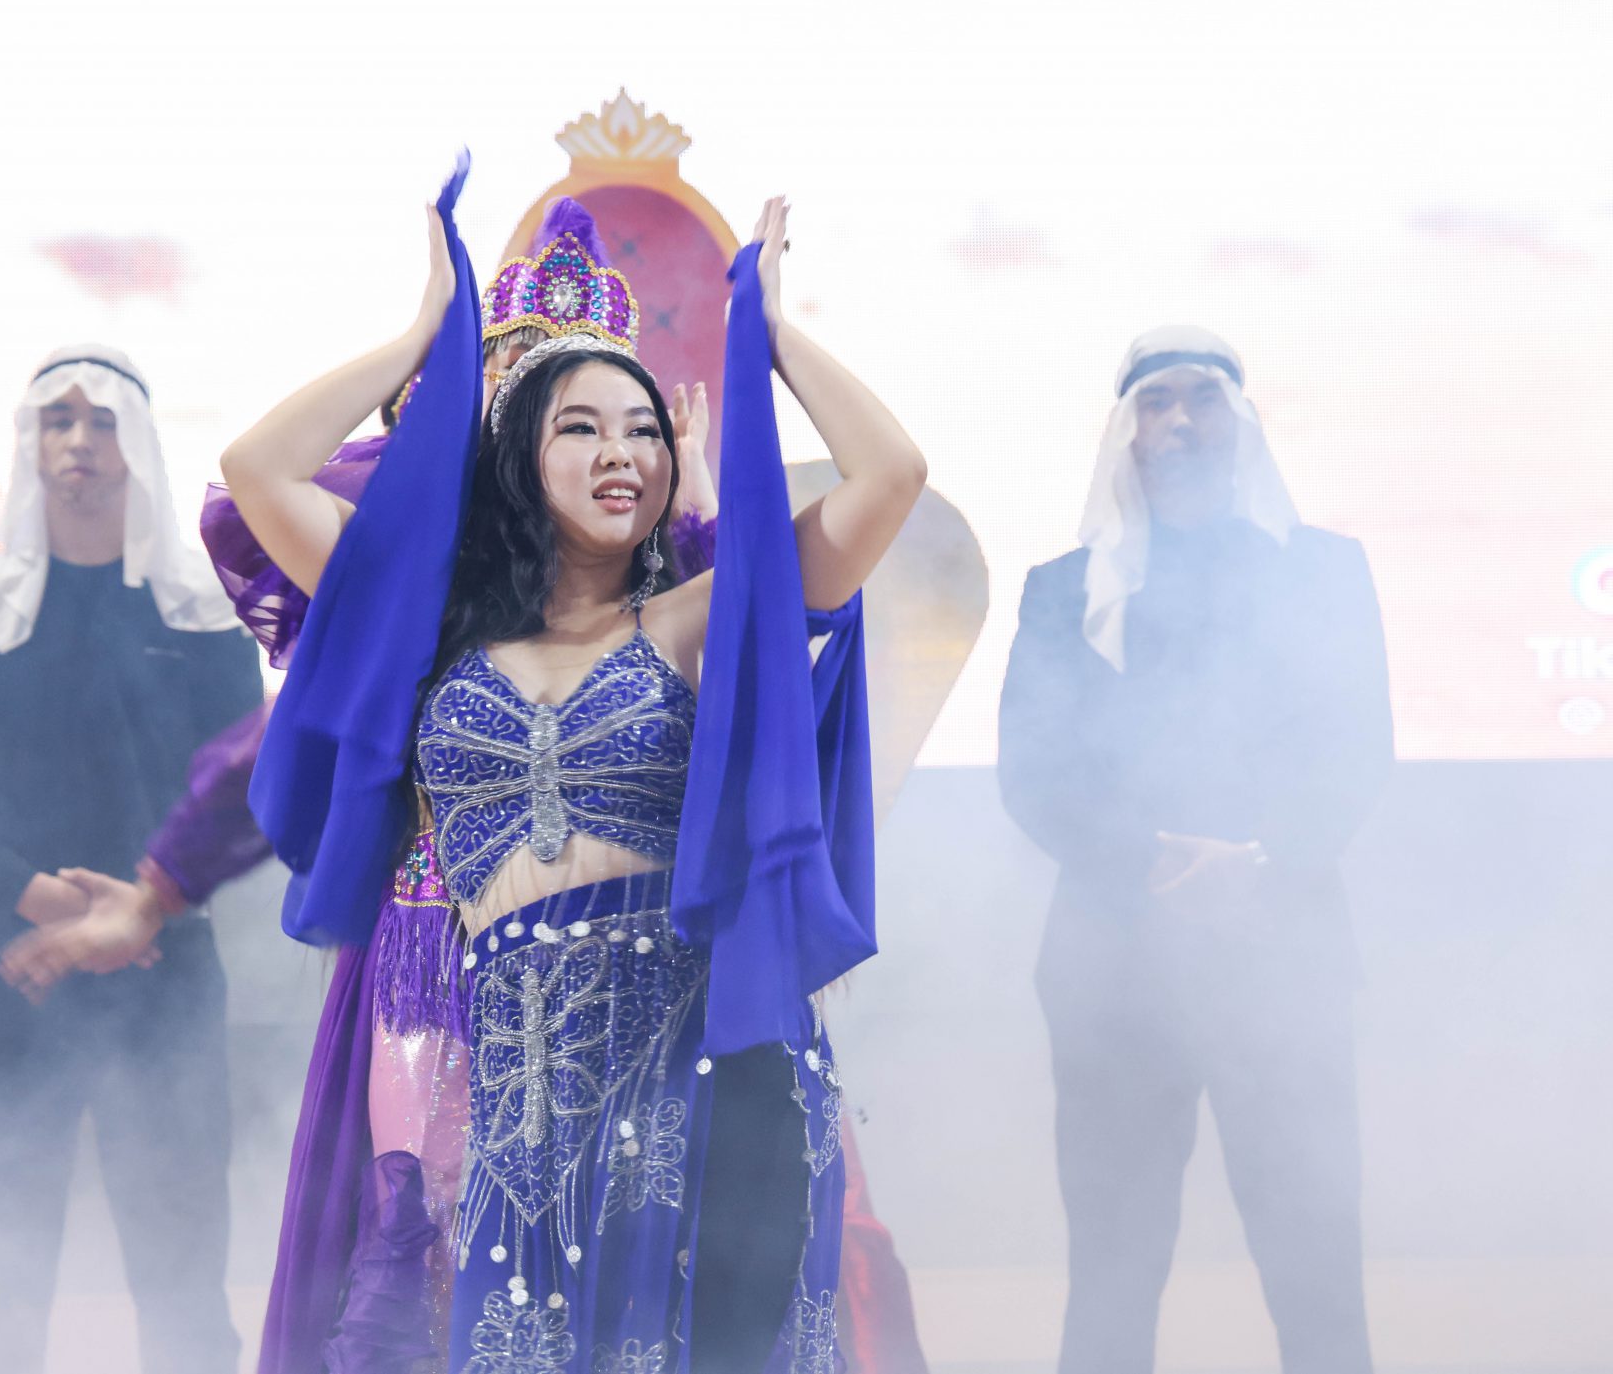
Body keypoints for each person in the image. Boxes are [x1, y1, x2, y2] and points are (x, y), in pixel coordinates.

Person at [227, 157, 922, 1372]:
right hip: (520, 1108)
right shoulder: (432, 630)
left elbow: (891, 478)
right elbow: (256, 471)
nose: (624, 451)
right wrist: (423, 337)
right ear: (516, 453)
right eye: (582, 426)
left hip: (698, 1080)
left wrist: (769, 329)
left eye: (644, 429)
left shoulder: (704, 614)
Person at [997, 326, 1394, 1374]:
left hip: (1284, 960)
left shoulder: (1322, 570)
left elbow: (1357, 747)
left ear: (1241, 421)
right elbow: (1031, 772)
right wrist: (1149, 862)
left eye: (1201, 399)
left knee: (1315, 1265)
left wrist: (1259, 859)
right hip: (1113, 974)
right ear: (1123, 431)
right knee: (1112, 1271)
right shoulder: (1062, 587)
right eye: (1156, 402)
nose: (1179, 422)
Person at [0, 344, 261, 1374]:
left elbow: (248, 790)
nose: (78, 441)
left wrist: (146, 902)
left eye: (100, 420)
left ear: (137, 442)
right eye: (57, 420)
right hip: (15, 972)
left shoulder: (204, 611)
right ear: (30, 444)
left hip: (165, 969)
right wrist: (39, 898)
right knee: (1, 1277)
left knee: (183, 1276)